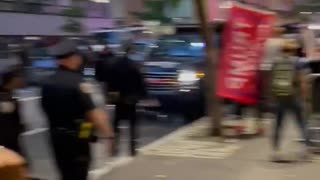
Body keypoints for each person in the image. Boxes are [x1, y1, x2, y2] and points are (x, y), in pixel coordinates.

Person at [41, 40, 114, 180]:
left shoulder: (47, 83)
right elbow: (94, 114)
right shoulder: (79, 83)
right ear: (73, 58)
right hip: (78, 137)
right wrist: (108, 136)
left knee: (64, 173)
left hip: (56, 137)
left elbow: (45, 109)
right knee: (79, 174)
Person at [270, 39, 311, 161]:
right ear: (293, 51)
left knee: (278, 124)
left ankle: (276, 151)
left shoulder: (275, 62)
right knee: (301, 122)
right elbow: (302, 81)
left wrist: (273, 95)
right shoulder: (297, 62)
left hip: (279, 96)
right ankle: (305, 149)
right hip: (294, 96)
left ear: (281, 50)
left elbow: (273, 80)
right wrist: (305, 97)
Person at [111, 44, 147, 156]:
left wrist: (112, 97)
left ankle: (115, 147)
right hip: (131, 98)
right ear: (131, 52)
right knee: (132, 124)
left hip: (119, 98)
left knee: (117, 122)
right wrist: (143, 95)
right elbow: (140, 82)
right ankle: (132, 148)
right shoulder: (134, 66)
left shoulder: (116, 65)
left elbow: (111, 82)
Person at [0, 66, 25, 156]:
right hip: (7, 141)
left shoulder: (9, 95)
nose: (22, 81)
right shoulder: (4, 97)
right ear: (12, 80)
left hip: (11, 140)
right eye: (19, 78)